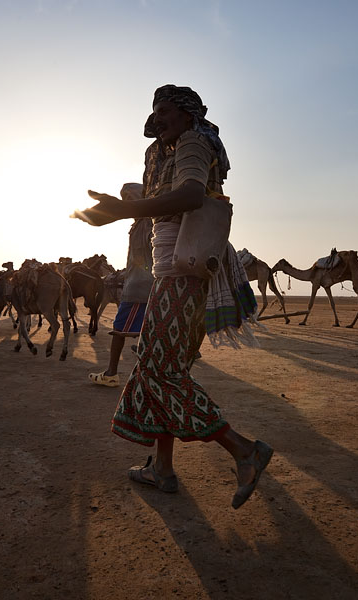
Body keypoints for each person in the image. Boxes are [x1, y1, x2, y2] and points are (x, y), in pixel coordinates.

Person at [74, 84, 273, 509]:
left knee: (160, 371)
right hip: (168, 271)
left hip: (188, 273)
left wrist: (123, 211)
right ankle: (162, 469)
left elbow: (189, 195)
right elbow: (158, 202)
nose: (158, 117)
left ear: (186, 114)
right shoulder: (160, 154)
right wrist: (112, 211)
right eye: (154, 111)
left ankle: (244, 451)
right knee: (155, 365)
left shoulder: (195, 143)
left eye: (165, 110)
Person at [88, 182, 154, 387]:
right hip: (141, 284)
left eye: (129, 200)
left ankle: (111, 373)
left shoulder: (146, 224)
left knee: (119, 330)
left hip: (139, 287)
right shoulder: (141, 223)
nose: (126, 205)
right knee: (147, 331)